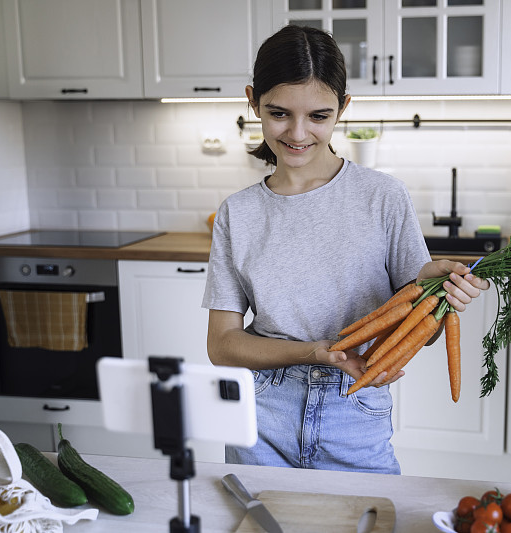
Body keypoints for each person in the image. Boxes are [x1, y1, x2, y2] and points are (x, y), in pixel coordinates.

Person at [202, 25, 489, 474]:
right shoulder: (237, 213)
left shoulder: (383, 197)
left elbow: (425, 333)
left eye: (319, 116)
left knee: (369, 513)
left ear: (343, 107)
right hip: (260, 413)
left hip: (354, 410)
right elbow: (222, 345)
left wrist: (435, 299)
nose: (298, 133)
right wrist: (313, 351)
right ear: (253, 102)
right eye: (279, 113)